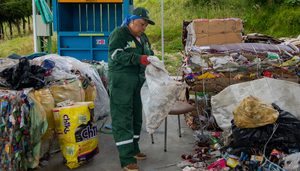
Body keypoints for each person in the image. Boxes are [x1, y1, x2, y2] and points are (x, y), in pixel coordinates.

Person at [107, 7, 155, 171]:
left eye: (146, 26)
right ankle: (126, 158)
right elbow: (115, 54)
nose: (143, 28)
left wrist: (153, 60)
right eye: (141, 24)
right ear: (132, 20)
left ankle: (134, 149)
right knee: (123, 118)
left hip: (137, 83)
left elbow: (148, 53)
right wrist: (138, 58)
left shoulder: (142, 37)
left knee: (136, 117)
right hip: (122, 81)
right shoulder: (120, 33)